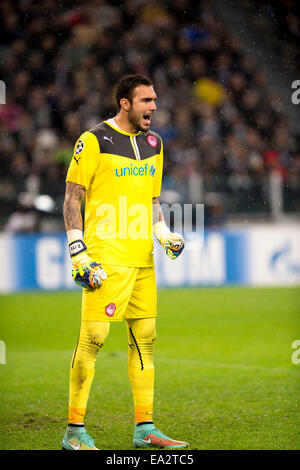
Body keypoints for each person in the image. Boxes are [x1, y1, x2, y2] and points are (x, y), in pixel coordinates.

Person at [62, 74, 187, 450]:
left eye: (155, 100)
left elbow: (150, 201)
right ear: (125, 103)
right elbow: (72, 197)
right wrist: (77, 250)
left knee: (145, 341)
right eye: (146, 100)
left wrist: (163, 234)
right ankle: (73, 433)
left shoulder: (154, 143)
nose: (153, 107)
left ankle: (145, 429)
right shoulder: (94, 140)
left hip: (142, 260)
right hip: (105, 257)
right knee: (94, 339)